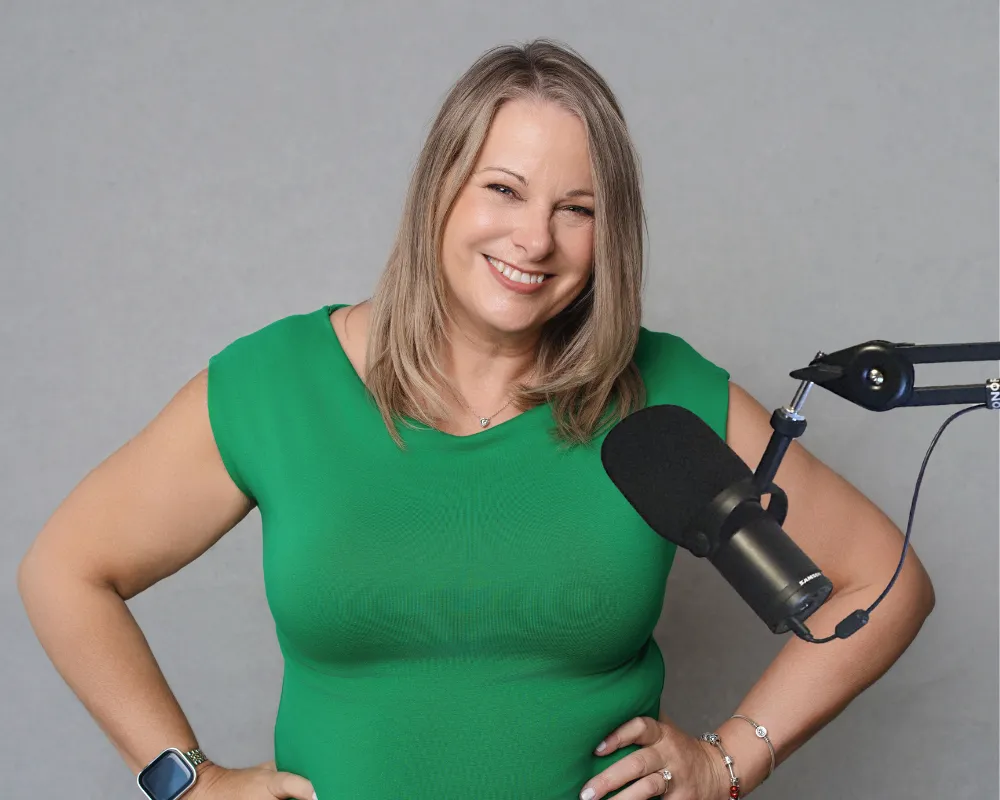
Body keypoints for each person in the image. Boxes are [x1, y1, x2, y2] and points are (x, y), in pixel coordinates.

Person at [17, 39, 935, 800]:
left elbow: (882, 583)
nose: (534, 239)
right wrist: (186, 781)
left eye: (577, 210)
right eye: (503, 189)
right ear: (440, 191)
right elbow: (65, 571)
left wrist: (731, 758)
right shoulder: (276, 384)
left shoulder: (667, 392)